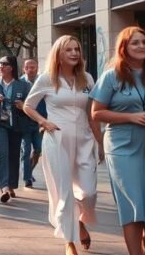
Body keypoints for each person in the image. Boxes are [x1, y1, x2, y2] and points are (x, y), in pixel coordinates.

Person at [90, 26, 145, 255]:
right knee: (132, 204)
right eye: (135, 43)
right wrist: (130, 116)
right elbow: (96, 113)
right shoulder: (111, 76)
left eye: (144, 42)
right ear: (124, 48)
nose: (141, 46)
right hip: (122, 146)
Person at [24, 35, 102, 255]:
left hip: (85, 140)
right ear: (59, 53)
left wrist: (100, 141)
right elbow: (28, 106)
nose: (75, 53)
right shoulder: (47, 78)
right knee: (64, 193)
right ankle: (69, 240)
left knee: (88, 192)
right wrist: (43, 121)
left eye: (77, 49)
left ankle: (79, 220)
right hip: (57, 140)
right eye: (69, 50)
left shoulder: (87, 78)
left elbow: (92, 112)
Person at [0, 55, 33, 203]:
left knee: (14, 155)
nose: (0, 67)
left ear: (11, 67)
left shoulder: (23, 85)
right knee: (2, 154)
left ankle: (11, 185)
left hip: (16, 125)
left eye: (4, 64)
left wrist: (22, 105)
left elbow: (30, 106)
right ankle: (4, 187)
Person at [20, 58, 46, 188]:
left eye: (33, 67)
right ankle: (27, 178)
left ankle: (28, 171)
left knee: (38, 150)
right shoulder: (19, 83)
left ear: (37, 68)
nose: (30, 70)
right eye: (27, 67)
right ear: (23, 69)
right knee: (25, 151)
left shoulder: (42, 82)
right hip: (24, 123)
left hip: (39, 122)